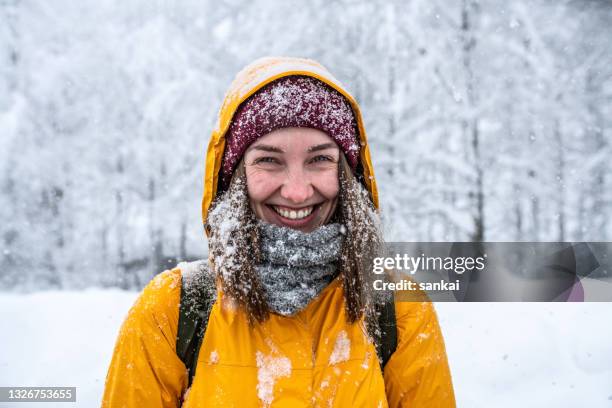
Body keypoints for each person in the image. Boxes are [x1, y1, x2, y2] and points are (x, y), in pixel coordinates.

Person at [102, 57, 456, 407]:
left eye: (319, 159)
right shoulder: (173, 310)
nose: (297, 191)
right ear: (235, 177)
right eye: (269, 160)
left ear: (347, 175)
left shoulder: (397, 307)